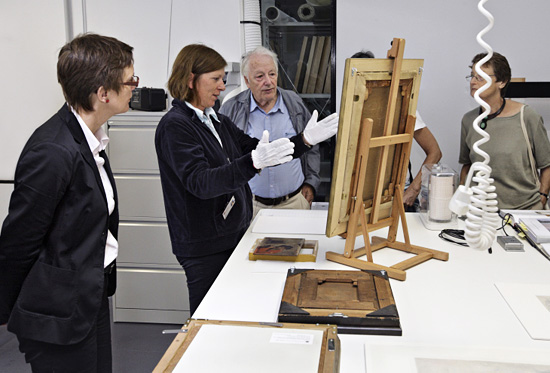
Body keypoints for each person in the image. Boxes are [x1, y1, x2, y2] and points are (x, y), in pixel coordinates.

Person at [155, 44, 338, 315]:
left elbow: (260, 149)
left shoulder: (214, 120)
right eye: (216, 79)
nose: (222, 86)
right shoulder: (176, 125)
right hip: (204, 245)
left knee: (234, 308)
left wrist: (304, 140)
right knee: (209, 315)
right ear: (191, 79)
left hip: (229, 236)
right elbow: (201, 183)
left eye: (223, 78)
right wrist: (252, 163)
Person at [0, 33, 136, 372]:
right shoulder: (53, 151)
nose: (135, 86)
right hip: (57, 314)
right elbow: (19, 242)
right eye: (130, 80)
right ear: (102, 93)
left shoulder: (90, 140)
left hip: (87, 297)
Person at [220, 46, 338, 217]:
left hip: (294, 203)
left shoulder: (293, 102)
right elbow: (222, 156)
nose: (268, 81)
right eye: (260, 76)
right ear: (247, 81)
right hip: (251, 205)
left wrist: (311, 183)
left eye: (272, 74)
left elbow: (311, 145)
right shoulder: (231, 109)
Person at [351, 50, 442, 211]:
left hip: (395, 197)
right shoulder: (350, 110)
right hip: (360, 198)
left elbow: (434, 152)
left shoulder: (400, 106)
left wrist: (413, 190)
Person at [459, 52, 550, 210]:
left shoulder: (526, 116)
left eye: (480, 77)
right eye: (472, 76)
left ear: (501, 82)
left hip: (523, 210)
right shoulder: (469, 120)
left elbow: (547, 165)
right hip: (480, 212)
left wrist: (542, 197)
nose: (473, 82)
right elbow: (467, 166)